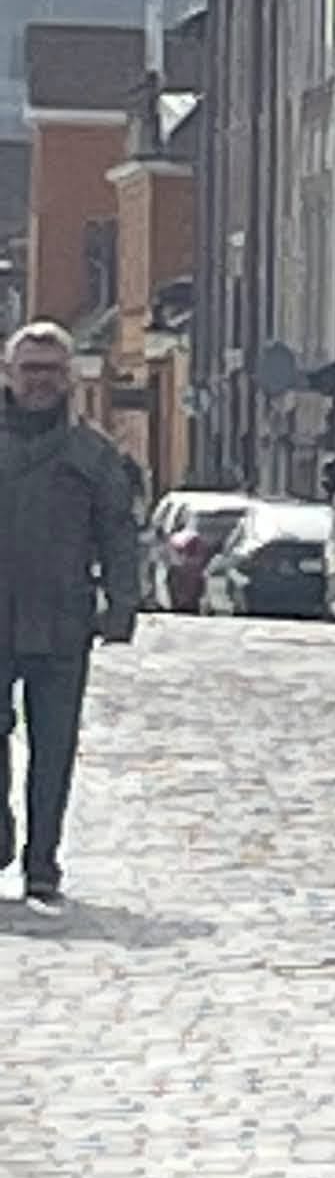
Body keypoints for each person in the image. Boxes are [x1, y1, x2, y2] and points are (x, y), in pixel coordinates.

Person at [0, 321, 141, 908]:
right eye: (29, 369)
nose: (40, 381)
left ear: (70, 379)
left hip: (62, 621)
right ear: (8, 374)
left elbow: (117, 533)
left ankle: (43, 864)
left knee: (54, 749)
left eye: (51, 371)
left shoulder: (94, 454)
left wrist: (123, 605)